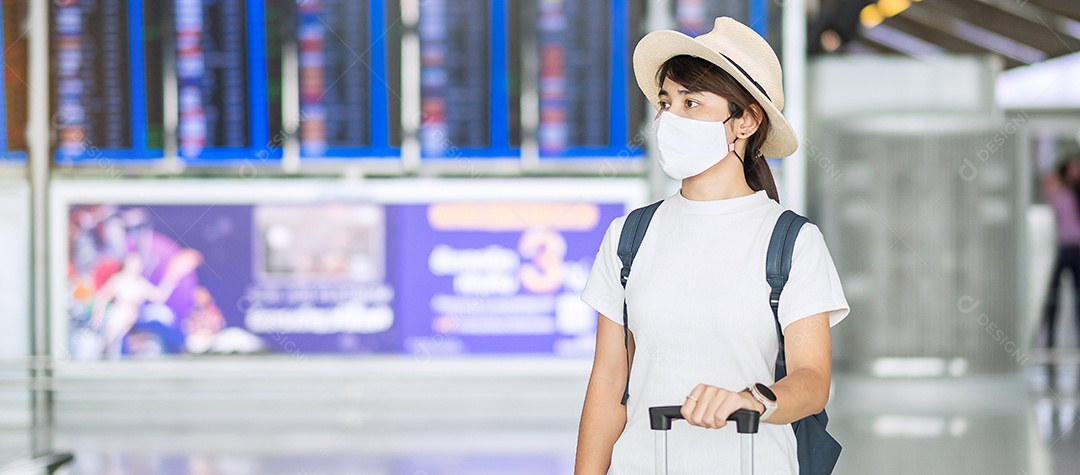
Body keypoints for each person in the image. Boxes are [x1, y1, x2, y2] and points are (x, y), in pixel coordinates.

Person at [574, 18, 849, 474]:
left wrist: (751, 400)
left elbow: (813, 381)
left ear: (745, 120)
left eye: (692, 102)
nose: (670, 118)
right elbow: (608, 381)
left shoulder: (792, 241)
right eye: (666, 102)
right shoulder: (629, 236)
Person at [1041, 156, 1080, 348]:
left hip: (1077, 249)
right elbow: (1047, 186)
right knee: (1053, 294)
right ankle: (1049, 336)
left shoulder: (1075, 194)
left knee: (1077, 295)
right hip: (1064, 248)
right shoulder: (1058, 195)